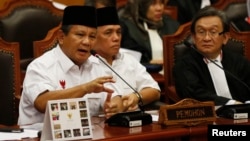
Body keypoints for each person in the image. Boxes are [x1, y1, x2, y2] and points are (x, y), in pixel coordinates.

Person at [18, 6, 124, 129]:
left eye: (92, 37)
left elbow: (116, 96)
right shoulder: (40, 66)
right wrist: (85, 88)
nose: (87, 42)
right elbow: (43, 103)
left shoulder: (98, 64)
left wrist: (115, 106)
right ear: (62, 37)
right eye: (80, 35)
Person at [173, 6, 250, 106]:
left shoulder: (240, 62)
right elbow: (194, 95)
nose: (207, 38)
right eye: (201, 32)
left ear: (225, 38)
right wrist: (232, 104)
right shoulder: (183, 66)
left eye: (213, 32)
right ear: (194, 37)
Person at [93, 6, 161, 111]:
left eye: (118, 32)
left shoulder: (128, 59)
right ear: (93, 37)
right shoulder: (86, 64)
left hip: (135, 121)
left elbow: (155, 90)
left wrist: (136, 97)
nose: (116, 38)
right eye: (108, 33)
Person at [120, 0, 180, 68]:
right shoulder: (127, 28)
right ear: (142, 6)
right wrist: (148, 63)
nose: (159, 8)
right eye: (153, 4)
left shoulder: (173, 25)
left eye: (161, 3)